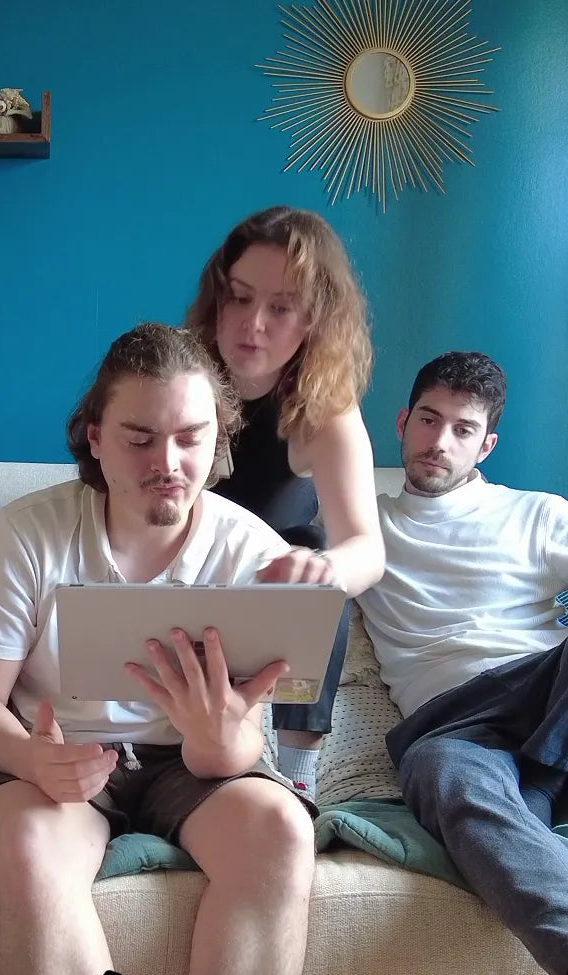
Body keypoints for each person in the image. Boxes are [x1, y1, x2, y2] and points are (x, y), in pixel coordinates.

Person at [0, 323, 316, 975]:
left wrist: (215, 739)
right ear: (96, 438)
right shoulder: (26, 535)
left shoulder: (254, 552)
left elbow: (238, 747)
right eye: (140, 439)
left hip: (190, 766)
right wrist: (31, 757)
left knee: (282, 831)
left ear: (219, 437)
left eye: (190, 438)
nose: (166, 463)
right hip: (51, 752)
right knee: (31, 844)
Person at [355, 351, 568, 975]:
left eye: (462, 429)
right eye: (429, 420)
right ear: (402, 422)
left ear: (487, 446)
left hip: (550, 694)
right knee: (438, 771)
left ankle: (541, 780)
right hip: (455, 726)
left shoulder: (536, 513)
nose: (439, 442)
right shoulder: (362, 528)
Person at [184, 205, 385, 798]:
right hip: (175, 576)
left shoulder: (324, 410)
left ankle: (298, 773)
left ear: (314, 317)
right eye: (240, 298)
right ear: (218, 297)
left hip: (261, 594)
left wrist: (325, 571)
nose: (253, 325)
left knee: (315, 561)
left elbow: (366, 547)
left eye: (281, 308)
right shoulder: (180, 377)